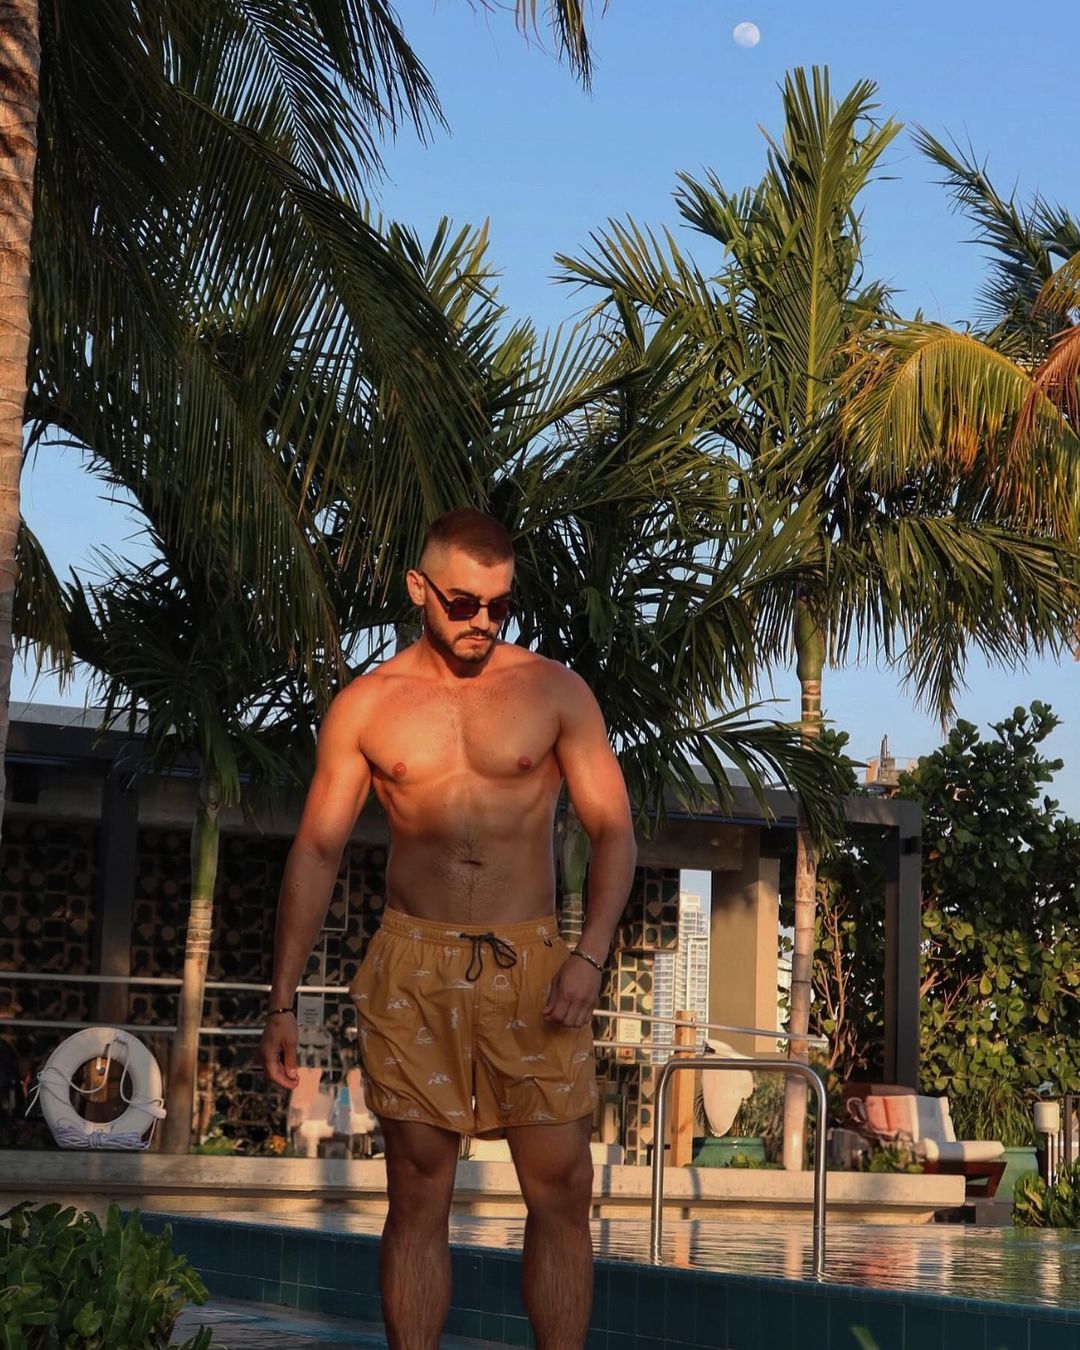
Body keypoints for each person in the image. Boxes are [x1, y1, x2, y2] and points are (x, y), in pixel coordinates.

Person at [259, 507, 638, 1350]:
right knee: (418, 1192)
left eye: (500, 606)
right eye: (464, 603)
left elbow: (615, 830)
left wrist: (590, 955)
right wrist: (281, 1001)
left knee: (561, 1189)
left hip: (534, 964)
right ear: (418, 589)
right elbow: (317, 852)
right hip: (413, 963)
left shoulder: (554, 692)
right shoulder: (367, 707)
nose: (483, 622)